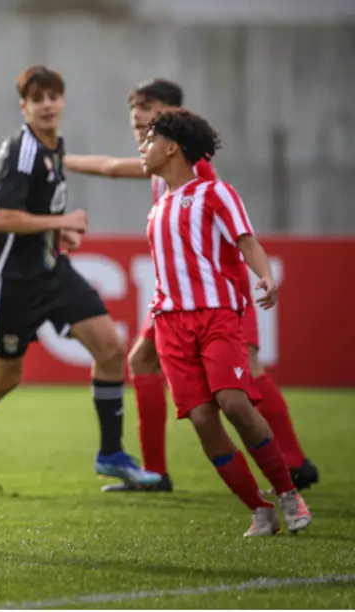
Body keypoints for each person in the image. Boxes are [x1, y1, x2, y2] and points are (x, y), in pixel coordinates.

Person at [64, 79, 317, 492]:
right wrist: (60, 157)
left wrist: (258, 277)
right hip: (179, 296)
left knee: (243, 380)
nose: (138, 120)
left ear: (173, 122)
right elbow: (109, 166)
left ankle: (293, 462)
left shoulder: (197, 173)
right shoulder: (156, 165)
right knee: (142, 360)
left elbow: (235, 230)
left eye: (148, 111)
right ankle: (155, 472)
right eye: (135, 113)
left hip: (221, 293)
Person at [0, 66, 161, 494]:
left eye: (53, 96)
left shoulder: (55, 146)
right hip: (11, 281)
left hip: (50, 271)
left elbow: (32, 213)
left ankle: (111, 455)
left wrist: (58, 232)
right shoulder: (22, 150)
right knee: (5, 377)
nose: (47, 105)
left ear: (63, 100)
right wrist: (61, 219)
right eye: (37, 99)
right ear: (24, 107)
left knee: (111, 348)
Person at [138, 108, 311, 536]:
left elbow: (247, 242)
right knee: (201, 419)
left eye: (149, 139)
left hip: (216, 317)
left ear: (172, 146)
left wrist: (265, 275)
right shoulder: (158, 207)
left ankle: (287, 492)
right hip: (170, 326)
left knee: (234, 402)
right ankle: (260, 509)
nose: (143, 147)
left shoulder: (216, 193)